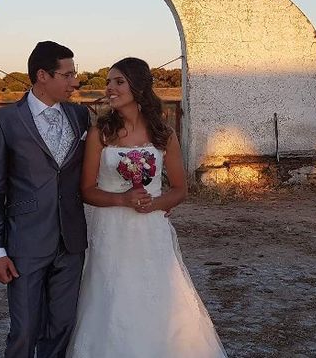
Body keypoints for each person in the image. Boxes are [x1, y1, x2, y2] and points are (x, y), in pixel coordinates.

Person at [66, 57, 227, 358]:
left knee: (158, 297)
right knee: (112, 297)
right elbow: (86, 190)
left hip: (150, 230)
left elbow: (180, 189)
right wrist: (121, 199)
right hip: (111, 230)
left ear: (138, 88)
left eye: (118, 82)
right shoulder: (100, 133)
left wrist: (155, 203)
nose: (110, 88)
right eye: (109, 82)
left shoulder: (164, 135)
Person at [0, 41, 92, 358]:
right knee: (25, 329)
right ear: (43, 75)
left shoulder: (80, 116)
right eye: (68, 74)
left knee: (62, 326)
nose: (75, 81)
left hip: (71, 241)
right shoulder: (6, 121)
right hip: (25, 243)